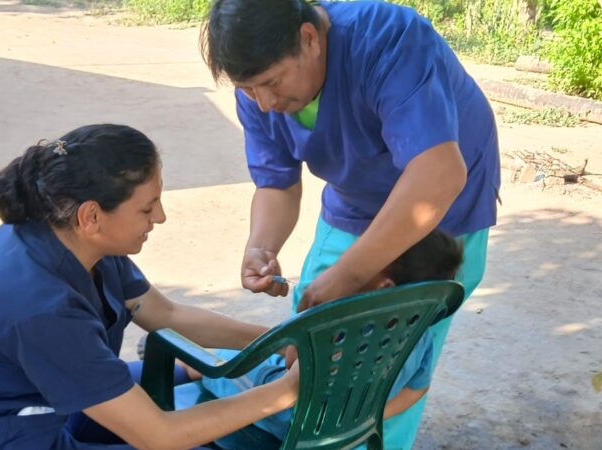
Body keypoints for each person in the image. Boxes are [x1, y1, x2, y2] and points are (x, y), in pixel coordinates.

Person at [201, 0, 500, 448]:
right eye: (247, 89)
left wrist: (349, 274)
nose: (265, 102)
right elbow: (276, 184)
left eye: (271, 82)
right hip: (356, 201)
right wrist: (261, 244)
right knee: (317, 339)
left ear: (308, 38)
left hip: (441, 213)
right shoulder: (261, 94)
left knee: (396, 355)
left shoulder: (388, 38)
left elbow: (437, 175)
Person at [0, 124, 299, 450]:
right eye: (147, 208)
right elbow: (160, 436)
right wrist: (287, 390)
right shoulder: (37, 302)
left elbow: (167, 314)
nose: (160, 217)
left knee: (193, 369)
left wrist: (279, 339)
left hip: (45, 402)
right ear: (92, 215)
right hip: (2, 437)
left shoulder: (76, 238)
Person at [195, 229, 463, 447]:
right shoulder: (422, 336)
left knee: (219, 360)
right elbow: (416, 389)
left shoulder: (343, 325)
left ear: (385, 286)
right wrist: (364, 415)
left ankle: (176, 377)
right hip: (349, 427)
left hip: (288, 416)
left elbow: (292, 366)